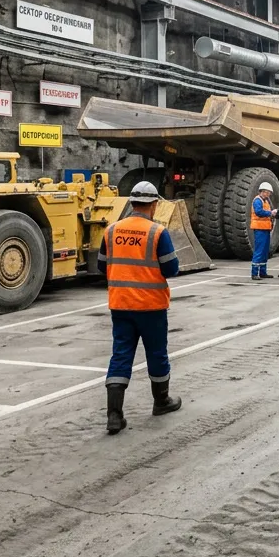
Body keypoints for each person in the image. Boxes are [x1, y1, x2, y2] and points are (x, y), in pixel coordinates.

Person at [99, 181, 181, 435]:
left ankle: (114, 415)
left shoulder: (111, 231)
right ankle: (161, 401)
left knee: (120, 355)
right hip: (151, 306)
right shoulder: (157, 232)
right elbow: (171, 269)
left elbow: (102, 265)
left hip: (121, 305)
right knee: (157, 354)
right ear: (153, 205)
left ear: (132, 203)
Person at [251, 182, 275, 281]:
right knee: (259, 251)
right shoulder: (258, 200)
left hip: (265, 229)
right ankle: (254, 273)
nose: (269, 194)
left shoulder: (265, 201)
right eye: (268, 192)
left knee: (264, 251)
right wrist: (271, 213)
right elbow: (259, 212)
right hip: (259, 229)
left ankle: (263, 272)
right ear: (263, 191)